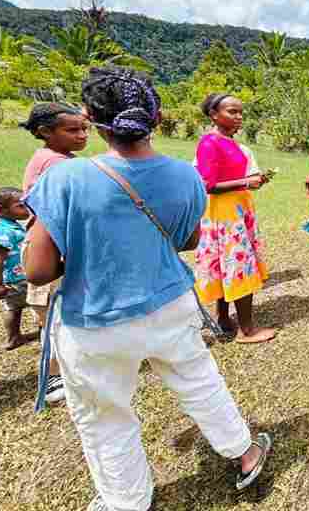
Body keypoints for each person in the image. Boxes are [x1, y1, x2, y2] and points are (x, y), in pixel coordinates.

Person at [24, 66, 271, 511]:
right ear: (155, 117)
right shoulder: (184, 176)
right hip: (170, 304)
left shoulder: (63, 179)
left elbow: (38, 271)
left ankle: (127, 501)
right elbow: (188, 241)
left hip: (94, 320)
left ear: (91, 118)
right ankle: (245, 453)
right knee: (200, 383)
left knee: (105, 417)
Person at [20, 102, 90, 403]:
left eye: (84, 128)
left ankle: (69, 367)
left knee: (59, 315)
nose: (82, 135)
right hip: (49, 249)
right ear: (45, 131)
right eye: (72, 130)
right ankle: (51, 377)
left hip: (54, 245)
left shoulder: (59, 158)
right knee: (52, 319)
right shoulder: (55, 163)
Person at [194, 94, 275, 344]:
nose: (239, 117)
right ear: (214, 114)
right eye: (232, 111)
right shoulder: (210, 142)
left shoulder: (228, 141)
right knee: (238, 265)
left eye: (240, 112)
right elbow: (208, 184)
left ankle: (223, 319)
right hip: (225, 213)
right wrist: (245, 182)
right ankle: (246, 330)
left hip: (236, 208)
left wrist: (251, 182)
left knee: (226, 265)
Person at [0, 187, 31, 350]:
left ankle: (14, 338)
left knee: (14, 308)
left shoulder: (10, 226)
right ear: (0, 210)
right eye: (21, 206)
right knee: (37, 304)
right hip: (17, 280)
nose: (27, 209)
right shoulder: (3, 232)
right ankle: (42, 333)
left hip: (16, 279)